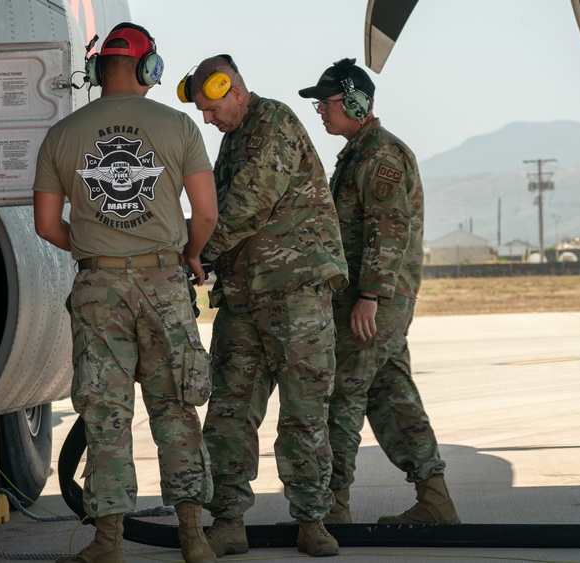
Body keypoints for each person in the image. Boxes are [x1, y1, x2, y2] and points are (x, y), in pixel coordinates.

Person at [32, 22, 218, 563]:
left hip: (98, 288)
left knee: (105, 414)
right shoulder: (179, 126)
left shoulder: (62, 134)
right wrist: (187, 255)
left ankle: (109, 541)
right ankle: (193, 538)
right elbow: (205, 213)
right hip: (164, 283)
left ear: (96, 71)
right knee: (176, 409)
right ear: (148, 70)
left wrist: (96, 253)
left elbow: (46, 225)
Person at [177, 54, 348, 557]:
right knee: (230, 410)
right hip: (245, 298)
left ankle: (313, 521)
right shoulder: (235, 140)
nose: (208, 120)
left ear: (233, 90)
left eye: (211, 109)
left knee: (303, 412)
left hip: (295, 292)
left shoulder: (272, 123)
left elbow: (246, 203)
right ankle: (228, 521)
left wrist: (194, 252)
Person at [298, 58, 461, 526]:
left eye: (326, 104)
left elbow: (386, 229)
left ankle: (333, 509)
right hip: (373, 298)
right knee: (391, 393)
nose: (322, 113)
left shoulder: (380, 156)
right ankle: (435, 500)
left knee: (342, 392)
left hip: (375, 301)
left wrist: (369, 296)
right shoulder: (360, 152)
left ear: (354, 102)